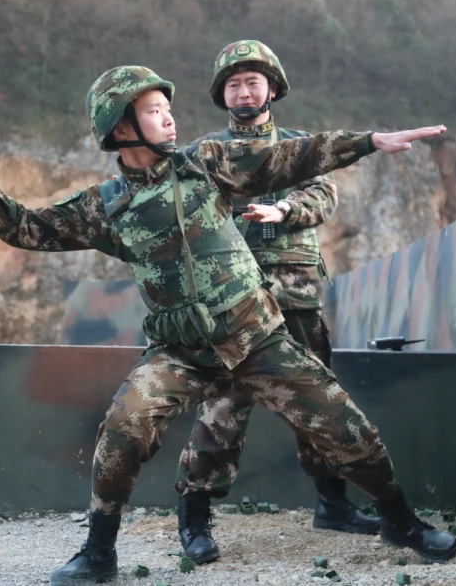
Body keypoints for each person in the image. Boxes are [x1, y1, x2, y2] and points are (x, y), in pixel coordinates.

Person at [0, 65, 456, 585]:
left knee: (345, 427)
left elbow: (288, 157)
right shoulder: (107, 206)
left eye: (168, 108)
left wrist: (367, 142)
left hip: (256, 338)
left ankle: (399, 521)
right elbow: (27, 227)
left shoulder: (206, 164)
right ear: (121, 128)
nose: (169, 118)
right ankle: (98, 552)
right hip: (180, 353)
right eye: (154, 111)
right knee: (123, 429)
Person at [173, 40, 378, 567]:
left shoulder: (300, 148)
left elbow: (322, 196)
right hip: (233, 301)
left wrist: (283, 207)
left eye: (253, 82)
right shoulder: (204, 154)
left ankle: (334, 505)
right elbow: (179, 209)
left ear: (272, 89)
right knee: (222, 404)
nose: (244, 92)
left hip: (296, 298)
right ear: (222, 94)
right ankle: (195, 520)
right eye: (234, 84)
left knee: (318, 402)